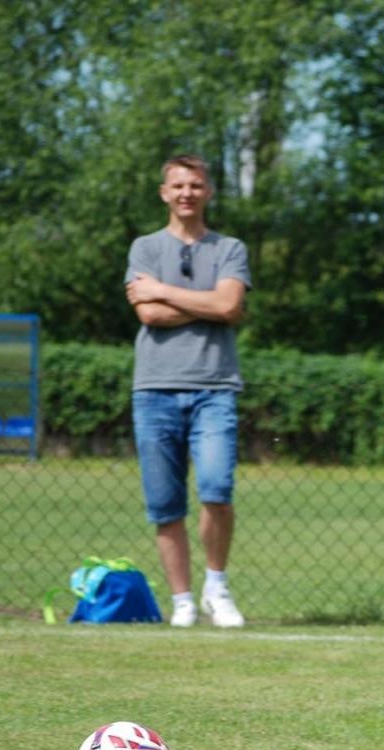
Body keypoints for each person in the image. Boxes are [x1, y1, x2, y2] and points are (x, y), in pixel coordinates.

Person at [124, 154, 251, 628]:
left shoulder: (230, 248)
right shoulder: (145, 248)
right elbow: (149, 316)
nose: (186, 194)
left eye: (195, 185)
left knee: (217, 488)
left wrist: (164, 290)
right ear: (164, 193)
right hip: (154, 388)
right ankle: (181, 601)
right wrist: (211, 305)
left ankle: (216, 588)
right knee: (165, 502)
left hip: (215, 388)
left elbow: (231, 303)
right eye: (177, 186)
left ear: (209, 192)